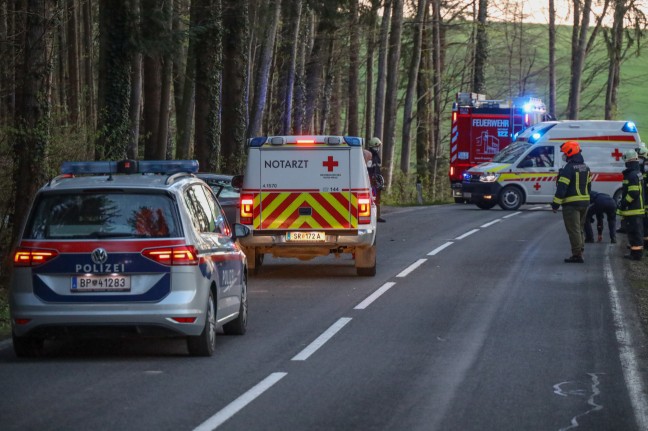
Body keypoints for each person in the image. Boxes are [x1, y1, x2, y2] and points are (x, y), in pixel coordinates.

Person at [551, 140, 591, 263]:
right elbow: (589, 187)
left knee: (573, 230)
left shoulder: (568, 168)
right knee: (579, 228)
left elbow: (562, 188)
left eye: (564, 152)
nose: (564, 155)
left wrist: (555, 204)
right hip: (585, 203)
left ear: (570, 152)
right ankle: (580, 250)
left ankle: (577, 255)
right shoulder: (586, 167)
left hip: (571, 204)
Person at [617, 149, 645, 260]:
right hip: (636, 209)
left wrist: (624, 203)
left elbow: (633, 193)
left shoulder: (632, 175)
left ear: (628, 161)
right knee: (635, 232)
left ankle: (636, 254)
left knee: (634, 233)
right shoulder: (636, 173)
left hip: (634, 209)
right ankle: (635, 252)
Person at [367, 137, 386, 222]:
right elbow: (368, 171)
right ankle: (370, 216)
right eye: (377, 146)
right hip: (370, 182)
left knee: (377, 200)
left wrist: (380, 182)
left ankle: (377, 217)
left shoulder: (377, 157)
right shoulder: (369, 156)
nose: (378, 148)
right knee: (370, 200)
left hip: (376, 182)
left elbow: (378, 170)